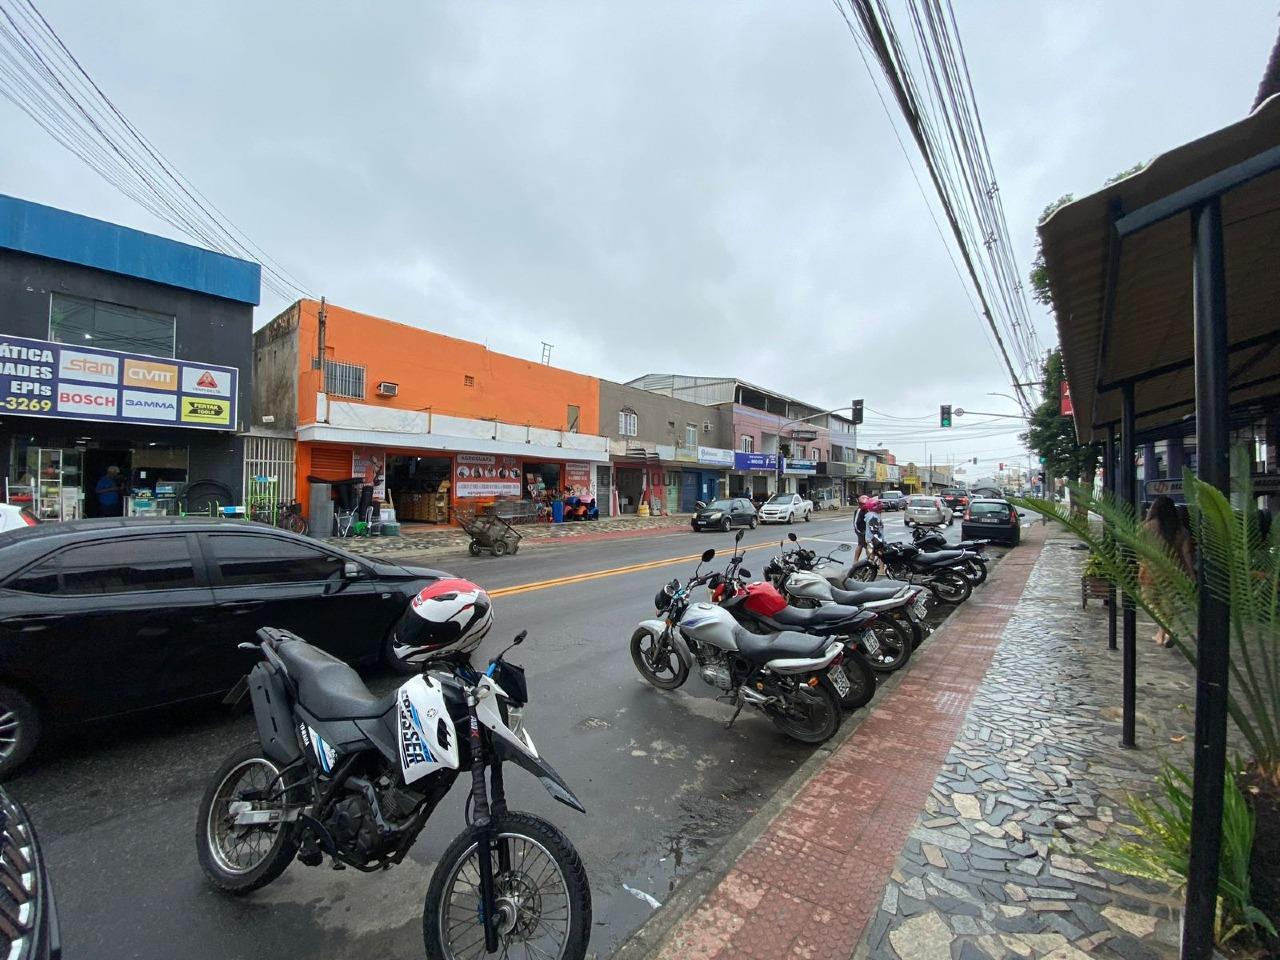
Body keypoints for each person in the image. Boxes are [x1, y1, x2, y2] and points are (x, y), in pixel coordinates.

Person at [1139, 495, 1195, 647]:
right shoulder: (1180, 531)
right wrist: (1190, 574)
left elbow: (1139, 548)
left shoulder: (1147, 527)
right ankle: (1163, 633)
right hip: (1172, 572)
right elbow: (1186, 554)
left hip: (1151, 571)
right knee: (1167, 604)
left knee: (1150, 601)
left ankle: (1166, 632)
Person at [852, 495, 871, 563]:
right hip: (861, 531)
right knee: (861, 545)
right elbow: (855, 523)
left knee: (868, 546)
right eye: (862, 504)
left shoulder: (868, 510)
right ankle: (855, 561)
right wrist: (861, 532)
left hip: (868, 531)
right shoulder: (858, 511)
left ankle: (869, 560)